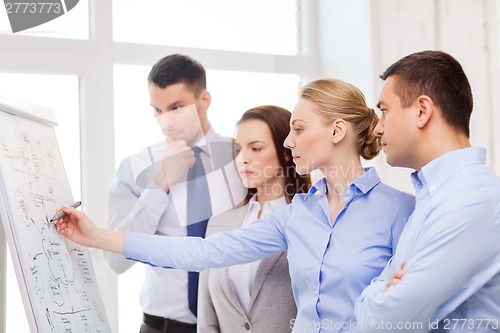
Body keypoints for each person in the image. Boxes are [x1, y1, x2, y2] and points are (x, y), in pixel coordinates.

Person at [55, 78, 416, 333]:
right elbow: (202, 253)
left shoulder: (401, 211)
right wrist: (98, 236)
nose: (289, 141)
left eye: (299, 129)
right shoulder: (298, 216)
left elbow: (417, 310)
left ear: (336, 132)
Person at [354, 50, 500, 332]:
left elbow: (385, 323)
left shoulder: (472, 199)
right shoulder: (436, 196)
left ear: (422, 110)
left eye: (384, 111)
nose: (377, 130)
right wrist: (381, 292)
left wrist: (378, 292)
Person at [103, 54, 246, 333]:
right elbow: (116, 262)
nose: (165, 121)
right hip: (162, 327)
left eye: (176, 107)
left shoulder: (242, 160)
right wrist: (160, 183)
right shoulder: (135, 168)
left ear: (204, 101)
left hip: (233, 324)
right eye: (157, 110)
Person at [197, 105, 311, 333]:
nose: (243, 159)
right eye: (239, 150)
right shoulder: (219, 223)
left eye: (256, 149)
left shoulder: (309, 222)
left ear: (287, 153)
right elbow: (207, 318)